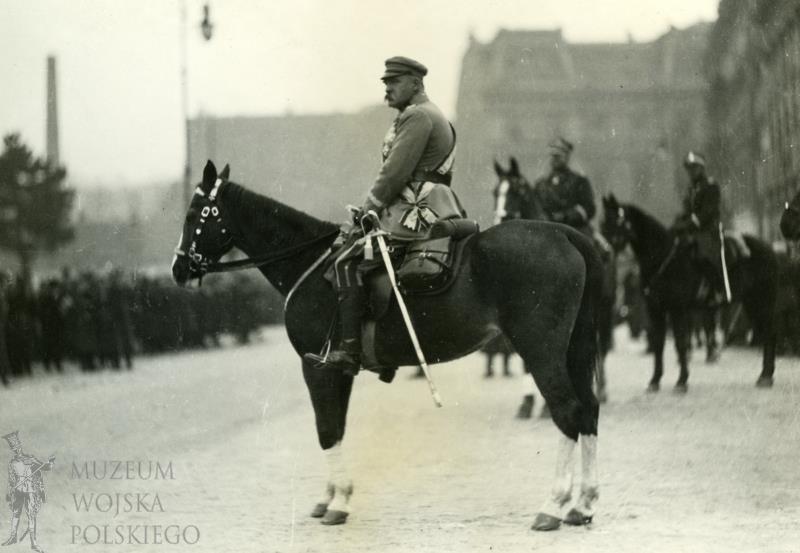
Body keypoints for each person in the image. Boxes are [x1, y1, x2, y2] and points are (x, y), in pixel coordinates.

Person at [304, 56, 459, 377]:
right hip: (425, 206)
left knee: (346, 261)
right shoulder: (422, 114)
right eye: (386, 83)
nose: (387, 89)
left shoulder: (418, 117)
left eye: (394, 82)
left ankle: (349, 350)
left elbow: (393, 174)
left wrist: (365, 210)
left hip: (414, 213)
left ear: (415, 84)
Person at [673, 151, 727, 303]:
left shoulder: (710, 186)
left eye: (694, 168)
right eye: (689, 169)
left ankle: (716, 289)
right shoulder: (690, 190)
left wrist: (690, 222)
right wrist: (678, 222)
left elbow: (708, 212)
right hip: (694, 231)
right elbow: (687, 211)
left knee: (703, 253)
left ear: (702, 168)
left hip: (709, 230)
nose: (691, 172)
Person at [2, 431, 54, 553]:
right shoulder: (12, 463)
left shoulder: (31, 459)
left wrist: (50, 463)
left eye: (18, 447)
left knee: (31, 515)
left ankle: (33, 543)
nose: (17, 450)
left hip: (31, 489)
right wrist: (9, 492)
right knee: (16, 513)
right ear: (13, 450)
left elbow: (44, 467)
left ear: (20, 446)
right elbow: (11, 479)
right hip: (18, 490)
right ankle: (13, 537)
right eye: (14, 449)